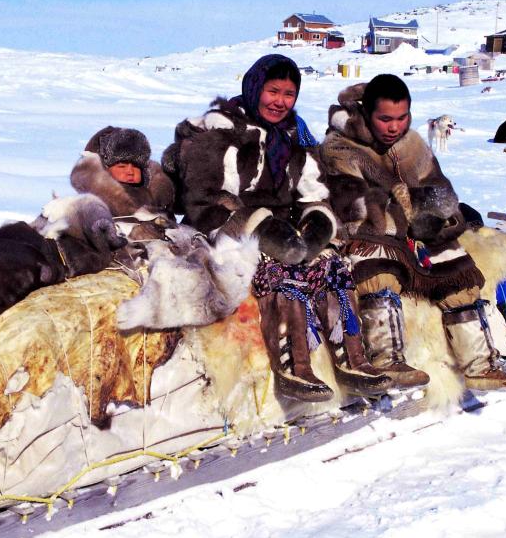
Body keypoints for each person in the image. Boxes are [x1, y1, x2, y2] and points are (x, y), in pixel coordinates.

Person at [162, 54, 392, 402]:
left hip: (280, 229)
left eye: (289, 94)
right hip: (223, 233)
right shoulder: (221, 132)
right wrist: (260, 228)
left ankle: (352, 359)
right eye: (273, 91)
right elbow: (203, 199)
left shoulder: (292, 136)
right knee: (279, 269)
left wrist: (317, 223)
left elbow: (313, 191)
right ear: (255, 88)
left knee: (331, 265)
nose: (280, 101)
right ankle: (294, 366)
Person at [320, 74, 506, 392]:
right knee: (377, 269)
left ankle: (480, 365)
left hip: (416, 232)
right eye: (385, 119)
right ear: (367, 114)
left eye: (402, 118)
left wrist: (435, 216)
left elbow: (441, 188)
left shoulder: (411, 144)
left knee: (457, 272)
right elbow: (354, 203)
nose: (395, 127)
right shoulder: (340, 146)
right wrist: (405, 215)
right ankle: (387, 360)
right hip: (369, 233)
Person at [70, 126, 176, 245]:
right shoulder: (93, 207)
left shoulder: (158, 202)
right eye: (122, 167)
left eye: (136, 167)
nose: (130, 171)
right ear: (106, 170)